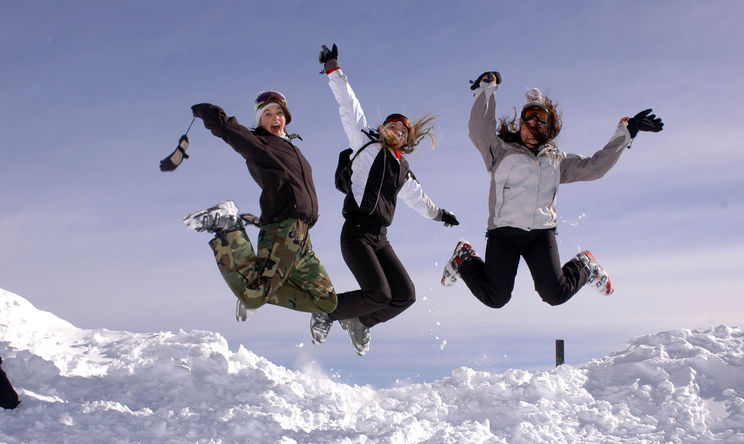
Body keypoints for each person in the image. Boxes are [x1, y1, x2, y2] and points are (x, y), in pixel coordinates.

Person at [441, 71, 662, 309]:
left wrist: (626, 132)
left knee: (555, 294)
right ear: (521, 125)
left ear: (549, 128)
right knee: (496, 298)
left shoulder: (556, 161)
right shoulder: (501, 151)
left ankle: (585, 266)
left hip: (540, 233)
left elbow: (595, 167)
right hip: (503, 233)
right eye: (528, 123)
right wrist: (486, 90)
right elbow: (479, 129)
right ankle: (465, 259)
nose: (532, 128)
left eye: (539, 123)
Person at [310, 44, 460, 355]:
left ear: (408, 139)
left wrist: (440, 214)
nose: (395, 130)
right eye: (391, 125)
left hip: (380, 238)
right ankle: (326, 310)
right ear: (382, 129)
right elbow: (348, 107)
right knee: (378, 293)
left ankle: (360, 323)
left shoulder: (402, 167)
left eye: (402, 130)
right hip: (356, 232)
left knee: (405, 295)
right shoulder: (364, 143)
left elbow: (417, 198)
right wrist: (334, 70)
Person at [184, 91, 338, 321]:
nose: (275, 118)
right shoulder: (262, 144)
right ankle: (228, 228)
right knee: (254, 296)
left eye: (279, 113)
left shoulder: (292, 148)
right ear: (259, 121)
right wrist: (211, 114)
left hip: (303, 237)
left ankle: (254, 285)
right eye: (267, 114)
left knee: (326, 301)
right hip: (283, 229)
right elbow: (232, 133)